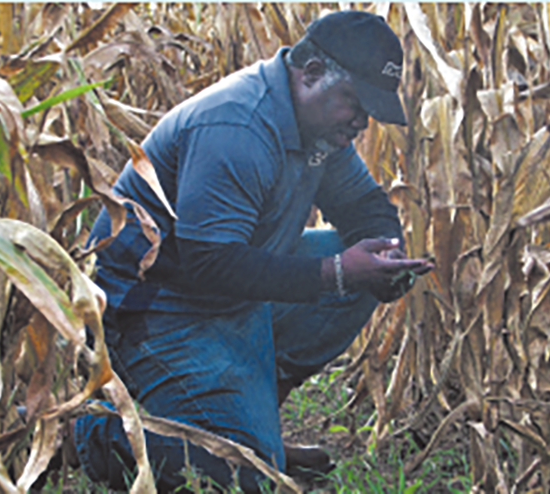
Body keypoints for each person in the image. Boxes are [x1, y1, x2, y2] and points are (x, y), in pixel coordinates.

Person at [74, 10, 433, 493]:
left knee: (353, 259)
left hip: (227, 292)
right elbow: (211, 263)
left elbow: (363, 205)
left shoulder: (320, 129)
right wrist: (337, 273)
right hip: (155, 304)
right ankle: (91, 435)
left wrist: (388, 256)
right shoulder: (238, 127)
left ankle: (253, 419)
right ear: (310, 73)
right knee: (246, 476)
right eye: (355, 102)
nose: (362, 122)